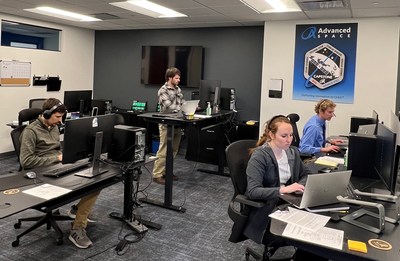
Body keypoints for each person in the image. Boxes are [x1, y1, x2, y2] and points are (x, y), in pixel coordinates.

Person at [19, 98, 99, 249]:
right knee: (88, 184)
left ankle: (77, 210)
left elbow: (57, 150)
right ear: (47, 114)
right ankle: (77, 228)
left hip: (57, 168)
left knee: (96, 181)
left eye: (62, 117)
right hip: (39, 176)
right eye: (57, 117)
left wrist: (69, 156)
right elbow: (27, 162)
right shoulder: (30, 132)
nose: (60, 121)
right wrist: (56, 158)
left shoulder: (54, 127)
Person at [244, 115, 327, 260]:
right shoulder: (260, 156)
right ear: (271, 134)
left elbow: (307, 174)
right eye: (284, 136)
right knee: (310, 238)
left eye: (291, 135)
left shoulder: (291, 152)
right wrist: (283, 190)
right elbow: (252, 191)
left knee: (319, 230)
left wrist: (297, 186)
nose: (289, 139)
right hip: (267, 212)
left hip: (287, 205)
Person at [152, 67, 185, 185]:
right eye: (176, 78)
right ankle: (157, 175)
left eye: (179, 78)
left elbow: (181, 102)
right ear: (170, 78)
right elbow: (169, 106)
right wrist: (182, 109)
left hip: (176, 123)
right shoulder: (163, 90)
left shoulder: (178, 89)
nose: (178, 80)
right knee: (164, 150)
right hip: (166, 124)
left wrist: (189, 107)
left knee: (174, 150)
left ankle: (167, 171)